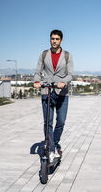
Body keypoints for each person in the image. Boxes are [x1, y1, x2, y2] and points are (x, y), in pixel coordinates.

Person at [34, 29, 73, 162]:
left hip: (62, 92)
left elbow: (70, 74)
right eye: (52, 38)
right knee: (47, 122)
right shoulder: (44, 54)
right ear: (50, 40)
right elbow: (37, 71)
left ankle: (55, 144)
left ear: (61, 40)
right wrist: (36, 81)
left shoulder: (67, 55)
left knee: (61, 122)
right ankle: (51, 149)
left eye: (56, 39)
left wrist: (64, 82)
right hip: (47, 91)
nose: (54, 41)